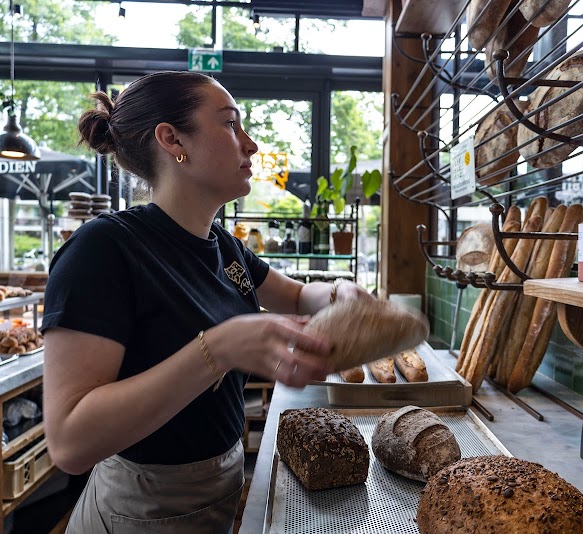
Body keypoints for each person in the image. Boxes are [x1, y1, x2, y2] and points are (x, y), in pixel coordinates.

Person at [41, 70, 370, 533]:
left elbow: (295, 294)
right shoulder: (104, 249)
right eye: (231, 124)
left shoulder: (221, 243)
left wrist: (339, 293)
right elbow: (70, 442)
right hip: (139, 508)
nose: (251, 144)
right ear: (173, 140)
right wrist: (219, 348)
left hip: (217, 487)